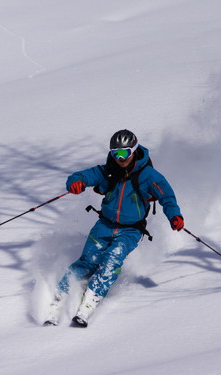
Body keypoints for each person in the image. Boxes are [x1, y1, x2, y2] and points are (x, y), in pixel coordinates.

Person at [44, 129, 184, 327]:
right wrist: (75, 183)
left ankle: (89, 304)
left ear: (133, 151)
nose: (120, 158)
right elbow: (81, 176)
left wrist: (174, 215)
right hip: (105, 224)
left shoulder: (149, 175)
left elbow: (167, 196)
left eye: (124, 153)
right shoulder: (108, 170)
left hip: (131, 229)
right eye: (115, 153)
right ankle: (58, 302)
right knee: (88, 260)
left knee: (111, 260)